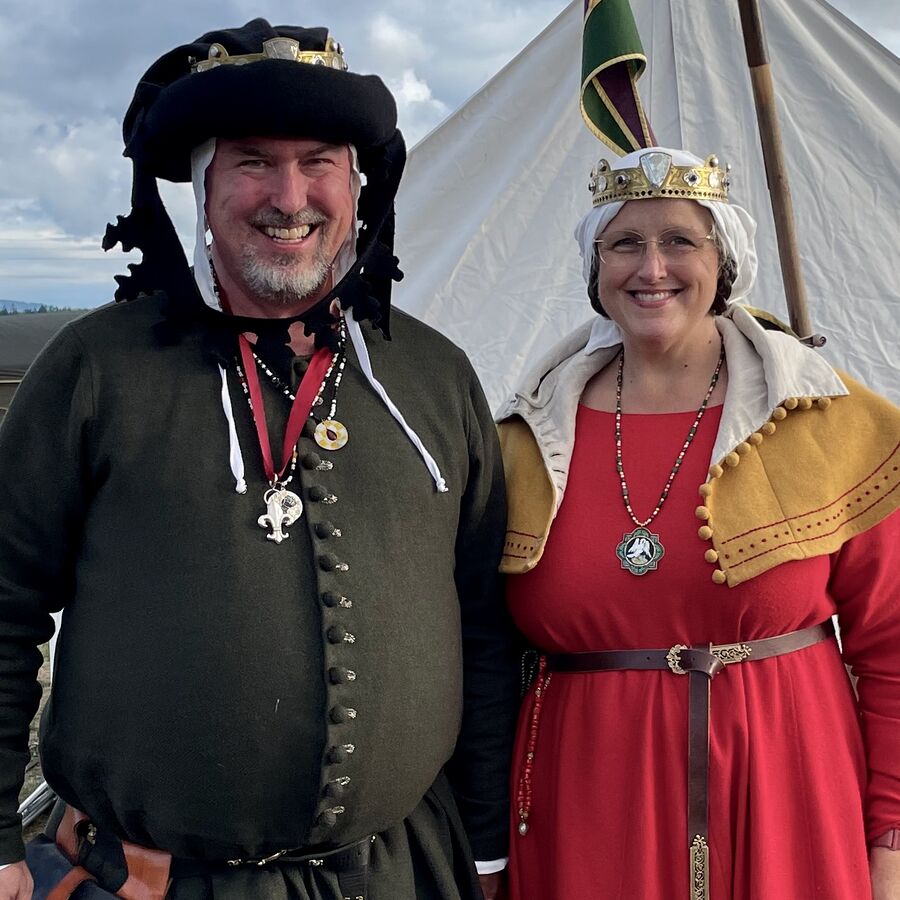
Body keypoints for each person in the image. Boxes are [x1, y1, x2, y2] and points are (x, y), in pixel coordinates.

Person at [0, 20, 518, 900]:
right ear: (204, 188)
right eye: (252, 162)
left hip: (399, 875)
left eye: (319, 162)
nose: (289, 196)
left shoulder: (435, 378)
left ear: (356, 187)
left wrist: (486, 844)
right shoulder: (95, 370)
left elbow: (482, 624)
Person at [496, 146, 900, 899]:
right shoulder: (520, 441)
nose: (652, 268)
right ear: (594, 265)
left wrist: (891, 840)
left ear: (725, 259)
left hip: (791, 794)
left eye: (681, 240)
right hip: (585, 802)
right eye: (624, 243)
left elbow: (893, 650)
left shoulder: (834, 424)